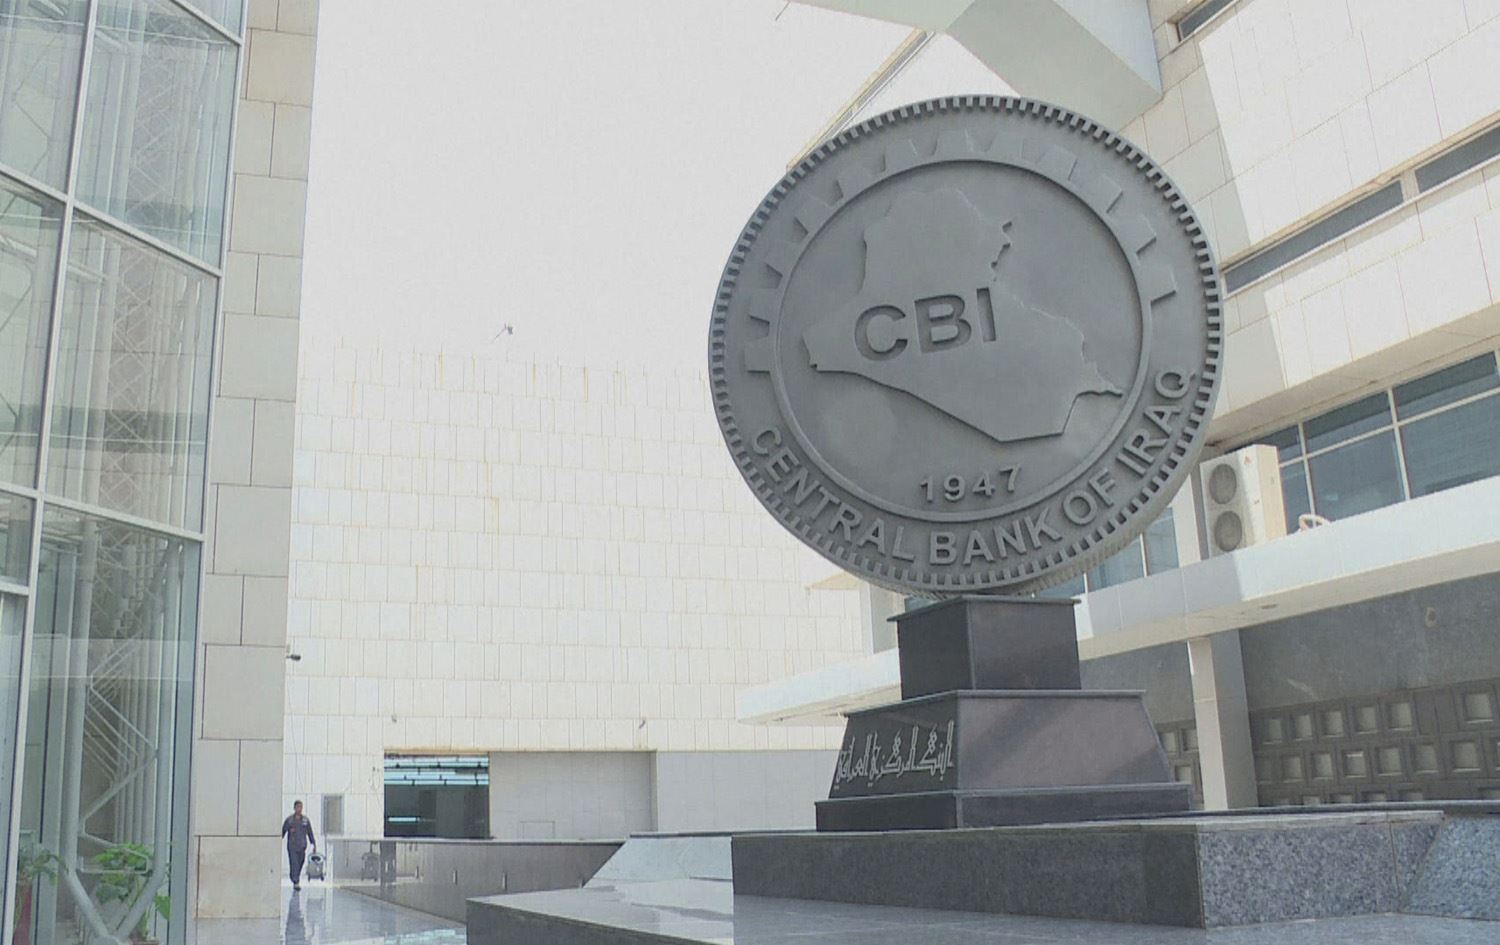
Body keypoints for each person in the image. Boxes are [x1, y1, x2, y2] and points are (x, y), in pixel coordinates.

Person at [281, 800, 317, 891]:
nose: (299, 809)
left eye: (301, 807)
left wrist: (313, 844)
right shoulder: (289, 820)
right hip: (292, 847)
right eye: (298, 807)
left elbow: (310, 833)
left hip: (302, 847)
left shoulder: (305, 820)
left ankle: (293, 876)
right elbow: (282, 832)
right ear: (294, 808)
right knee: (294, 863)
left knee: (300, 863)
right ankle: (296, 882)